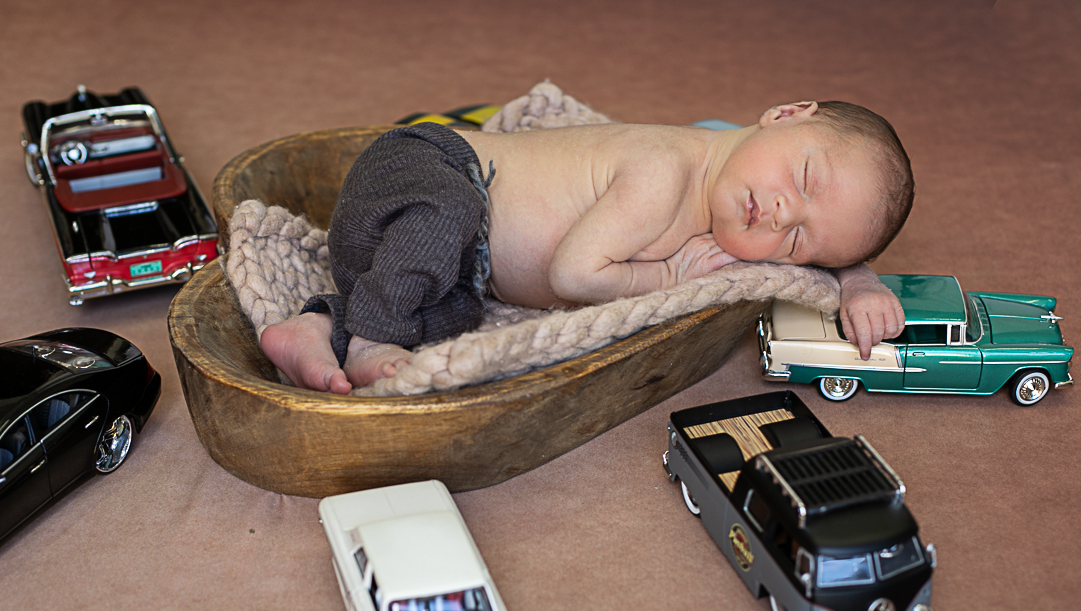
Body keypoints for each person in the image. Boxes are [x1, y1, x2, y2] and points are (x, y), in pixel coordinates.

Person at [261, 100, 913, 394]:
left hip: (437, 264)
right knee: (444, 216)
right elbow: (573, 275)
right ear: (784, 113)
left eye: (796, 239)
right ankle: (372, 337)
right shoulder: (665, 170)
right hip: (426, 171)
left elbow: (826, 248)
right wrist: (665, 277)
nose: (781, 212)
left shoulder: (735, 182)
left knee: (457, 313)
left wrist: (858, 282)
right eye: (803, 178)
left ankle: (319, 327)